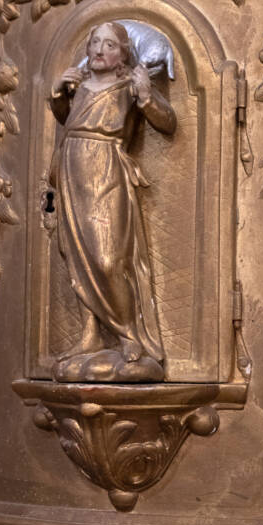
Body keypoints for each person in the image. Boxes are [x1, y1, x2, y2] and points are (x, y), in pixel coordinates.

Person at [50, 21, 176, 382]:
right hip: (72, 170)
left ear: (123, 55)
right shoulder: (79, 86)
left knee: (107, 259)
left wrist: (146, 96)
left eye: (109, 45)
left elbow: (167, 122)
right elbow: (69, 121)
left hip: (107, 170)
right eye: (94, 43)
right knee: (77, 256)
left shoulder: (128, 86)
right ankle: (89, 335)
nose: (99, 50)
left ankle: (130, 334)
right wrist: (57, 95)